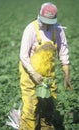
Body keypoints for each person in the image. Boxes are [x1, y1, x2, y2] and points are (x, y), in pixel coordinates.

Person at [19, 2, 72, 130]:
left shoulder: (58, 29)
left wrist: (67, 75)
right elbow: (23, 56)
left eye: (50, 21)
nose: (47, 23)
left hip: (48, 79)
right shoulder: (31, 29)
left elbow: (63, 53)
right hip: (30, 77)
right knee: (31, 109)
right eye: (45, 21)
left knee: (48, 111)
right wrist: (34, 73)